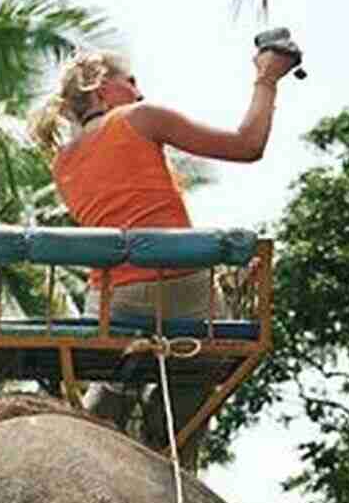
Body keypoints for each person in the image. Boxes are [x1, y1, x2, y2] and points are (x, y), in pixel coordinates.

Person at [27, 47, 298, 466]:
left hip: (107, 303)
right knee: (200, 368)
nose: (139, 90)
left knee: (123, 362)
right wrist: (268, 79)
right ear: (102, 86)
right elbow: (248, 145)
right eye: (130, 80)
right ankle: (172, 444)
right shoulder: (140, 117)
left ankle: (108, 405)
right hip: (178, 291)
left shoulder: (62, 161)